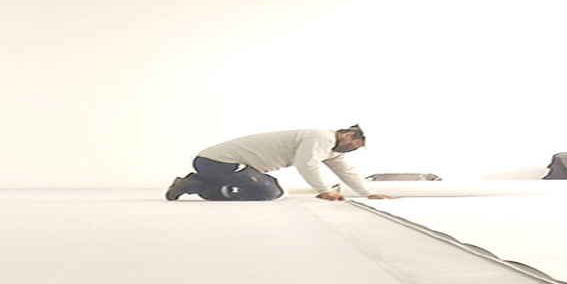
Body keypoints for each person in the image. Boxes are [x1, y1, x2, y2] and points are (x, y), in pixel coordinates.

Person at [165, 125, 395, 202]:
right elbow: (307, 163)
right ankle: (198, 185)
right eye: (356, 143)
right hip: (218, 162)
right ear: (347, 133)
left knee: (270, 188)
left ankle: (198, 183)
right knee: (268, 192)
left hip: (218, 164)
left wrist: (369, 193)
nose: (354, 149)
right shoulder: (321, 137)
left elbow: (347, 171)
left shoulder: (332, 150)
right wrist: (325, 190)